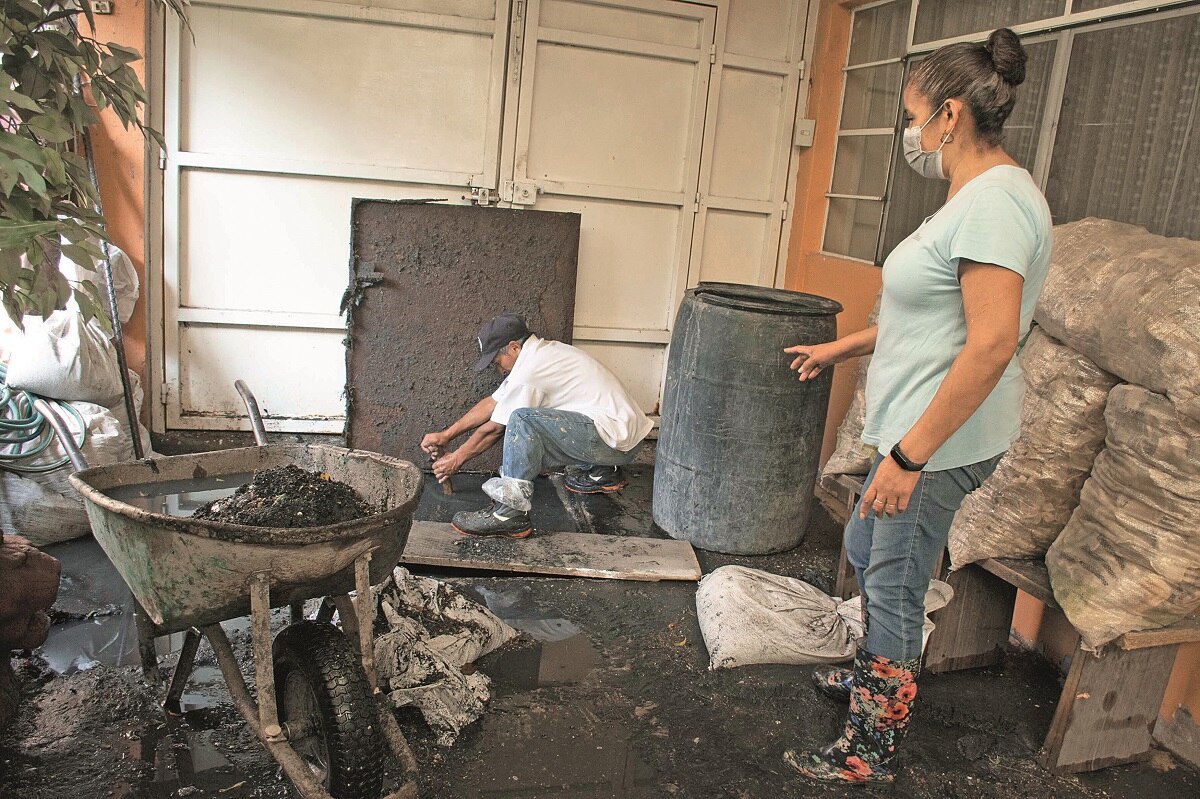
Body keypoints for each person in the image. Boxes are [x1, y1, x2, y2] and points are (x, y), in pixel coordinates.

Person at [780, 28, 1052, 784]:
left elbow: (991, 343)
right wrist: (843, 349)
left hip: (939, 444)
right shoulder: (974, 197)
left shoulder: (994, 205)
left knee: (894, 582)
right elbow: (929, 314)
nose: (909, 133)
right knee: (868, 550)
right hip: (917, 434)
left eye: (911, 115)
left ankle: (873, 740)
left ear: (950, 114)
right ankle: (874, 677)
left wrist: (908, 456)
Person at [420, 313, 653, 539]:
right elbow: (493, 403)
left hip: (614, 442)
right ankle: (601, 473)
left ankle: (508, 515)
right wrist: (446, 435)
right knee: (542, 415)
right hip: (622, 437)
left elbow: (495, 428)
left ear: (513, 347)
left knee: (521, 420)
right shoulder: (539, 354)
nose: (498, 368)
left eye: (496, 361)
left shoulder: (530, 370)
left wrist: (456, 459)